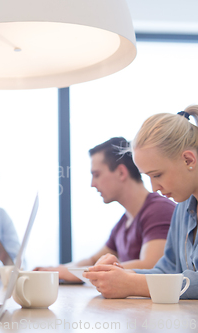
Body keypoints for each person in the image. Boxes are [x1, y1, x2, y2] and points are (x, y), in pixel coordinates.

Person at [84, 107, 198, 299]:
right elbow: (167, 270)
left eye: (157, 175)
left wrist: (133, 284)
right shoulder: (182, 209)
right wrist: (119, 275)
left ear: (188, 160)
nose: (154, 188)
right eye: (149, 177)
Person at [35, 137, 175, 282]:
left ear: (121, 172)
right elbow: (93, 259)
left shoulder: (159, 210)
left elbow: (151, 266)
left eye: (97, 175)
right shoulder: (124, 222)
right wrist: (58, 270)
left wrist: (83, 273)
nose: (92, 184)